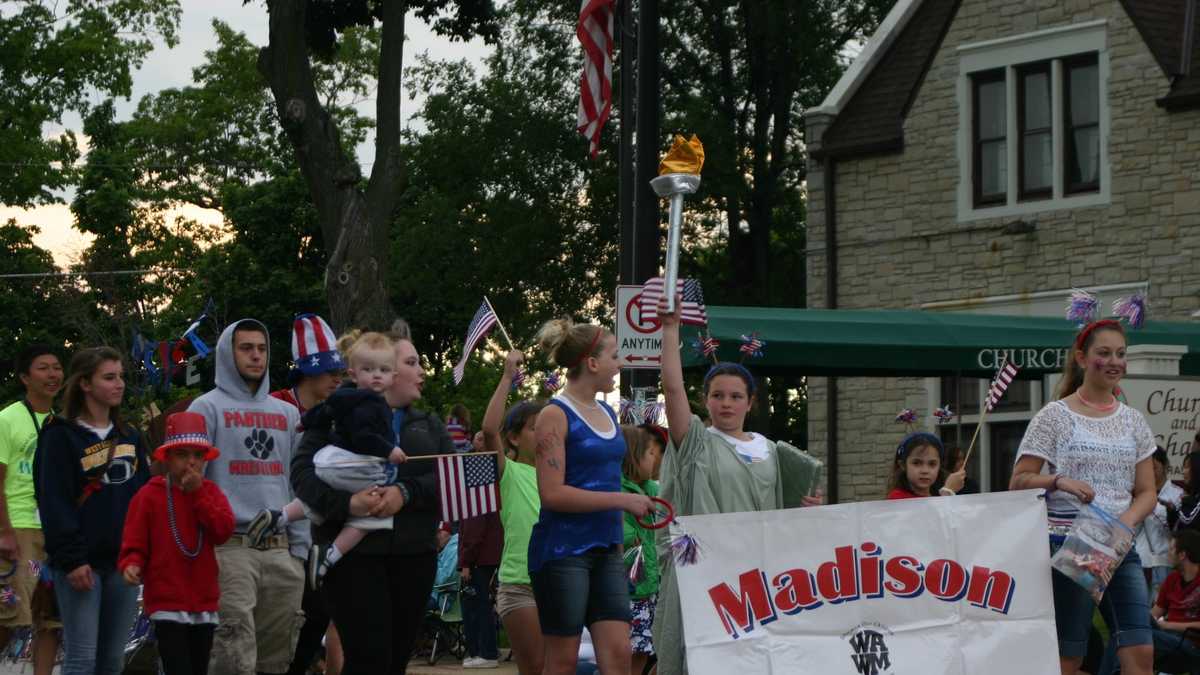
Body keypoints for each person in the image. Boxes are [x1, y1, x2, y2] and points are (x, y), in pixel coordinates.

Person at [653, 298, 823, 675]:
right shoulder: (696, 442)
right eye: (717, 396)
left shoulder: (774, 452)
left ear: (751, 402)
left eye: (735, 396)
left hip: (759, 574)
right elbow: (673, 389)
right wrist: (670, 329)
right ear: (705, 401)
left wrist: (807, 508)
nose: (726, 404)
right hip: (709, 572)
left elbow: (789, 517)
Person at [291, 319, 445, 674]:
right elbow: (301, 474)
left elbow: (450, 479)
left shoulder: (429, 425)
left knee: (395, 661)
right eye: (411, 362)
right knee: (368, 660)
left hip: (414, 556)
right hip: (354, 559)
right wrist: (347, 503)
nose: (420, 371)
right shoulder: (336, 416)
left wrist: (405, 492)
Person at [1009, 318, 1157, 675]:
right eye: (1104, 353)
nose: (1114, 361)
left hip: (1119, 546)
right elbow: (1018, 481)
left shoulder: (1133, 421)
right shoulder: (1054, 416)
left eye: (1120, 354)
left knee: (1139, 647)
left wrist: (1124, 523)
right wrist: (1059, 481)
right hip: (1071, 543)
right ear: (1081, 357)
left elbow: (1147, 491)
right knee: (1070, 655)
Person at [529, 318, 652, 675]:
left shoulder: (608, 412)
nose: (620, 364)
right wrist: (622, 501)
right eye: (614, 356)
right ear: (592, 363)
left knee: (619, 654)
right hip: (562, 551)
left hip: (607, 550)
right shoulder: (554, 414)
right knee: (563, 661)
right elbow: (552, 494)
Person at [188, 319, 306, 675]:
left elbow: (299, 484)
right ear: (228, 353)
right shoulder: (205, 409)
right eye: (246, 348)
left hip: (281, 550)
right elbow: (191, 485)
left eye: (262, 348)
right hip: (229, 549)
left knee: (276, 660)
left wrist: (300, 552)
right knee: (232, 656)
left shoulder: (288, 414)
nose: (256, 356)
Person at [250, 331, 408, 588]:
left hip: (328, 462)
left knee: (317, 502)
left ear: (393, 376)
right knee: (373, 513)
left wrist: (303, 422)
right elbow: (364, 437)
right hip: (353, 463)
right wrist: (390, 451)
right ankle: (331, 554)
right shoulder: (373, 403)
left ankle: (281, 516)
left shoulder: (342, 397)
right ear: (354, 374)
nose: (377, 375)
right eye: (369, 370)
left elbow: (323, 412)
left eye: (383, 370)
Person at [34, 346, 150, 675]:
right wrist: (72, 559)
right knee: (82, 659)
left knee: (112, 660)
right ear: (85, 383)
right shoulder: (60, 436)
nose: (119, 384)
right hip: (81, 563)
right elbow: (53, 502)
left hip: (123, 563)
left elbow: (144, 498)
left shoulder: (130, 435)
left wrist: (142, 552)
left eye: (121, 377)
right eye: (109, 377)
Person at [119, 412, 235, 675]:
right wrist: (132, 563)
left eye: (198, 455)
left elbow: (223, 531)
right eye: (182, 454)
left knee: (199, 667)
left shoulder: (211, 492)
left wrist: (198, 494)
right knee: (177, 666)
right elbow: (135, 540)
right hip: (166, 600)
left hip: (204, 601)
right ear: (167, 458)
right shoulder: (149, 496)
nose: (191, 462)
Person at [272, 313, 345, 675]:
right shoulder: (275, 408)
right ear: (307, 370)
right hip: (281, 536)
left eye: (339, 370)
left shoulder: (341, 413)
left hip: (322, 532)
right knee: (278, 625)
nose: (337, 378)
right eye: (329, 370)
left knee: (319, 614)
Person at [480, 350, 545, 675]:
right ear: (514, 438)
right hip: (520, 584)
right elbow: (489, 430)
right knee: (536, 668)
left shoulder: (561, 477)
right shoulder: (510, 471)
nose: (544, 433)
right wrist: (507, 376)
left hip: (560, 580)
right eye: (535, 428)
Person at [0, 344, 63, 673]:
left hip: (55, 530)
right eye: (43, 368)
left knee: (51, 620)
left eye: (57, 367)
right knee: (10, 615)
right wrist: (5, 532)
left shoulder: (62, 423)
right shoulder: (7, 419)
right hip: (19, 526)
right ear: (25, 377)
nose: (53, 374)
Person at [621, 425, 663, 675]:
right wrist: (629, 534)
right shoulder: (616, 490)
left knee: (643, 649)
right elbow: (618, 530)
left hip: (650, 586)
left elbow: (669, 511)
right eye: (649, 453)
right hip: (630, 590)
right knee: (630, 650)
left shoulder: (653, 489)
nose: (655, 458)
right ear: (633, 457)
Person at [1147, 530, 1200, 673]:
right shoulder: (1172, 579)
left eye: (1171, 549)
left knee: (1137, 638)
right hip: (1170, 639)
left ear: (1182, 555)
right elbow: (1155, 612)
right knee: (1131, 632)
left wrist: (1167, 625)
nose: (1168, 553)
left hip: (1192, 643)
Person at [1135, 447, 1183, 598]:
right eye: (1147, 468)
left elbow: (1177, 528)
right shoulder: (1137, 494)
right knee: (1139, 602)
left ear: (1165, 465)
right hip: (1141, 559)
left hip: (1164, 559)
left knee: (1160, 603)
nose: (1150, 472)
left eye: (1154, 467)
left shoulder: (1178, 494)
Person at [458, 508, 502, 669]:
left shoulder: (474, 501)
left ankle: (485, 654)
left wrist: (465, 562)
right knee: (483, 607)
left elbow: (473, 533)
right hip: (486, 560)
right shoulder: (487, 500)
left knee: (477, 608)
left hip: (478, 561)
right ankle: (484, 652)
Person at [886, 433, 966, 499]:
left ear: (939, 466)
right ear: (903, 465)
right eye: (916, 463)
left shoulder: (935, 495)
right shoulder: (897, 498)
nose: (925, 470)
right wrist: (948, 491)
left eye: (932, 464)